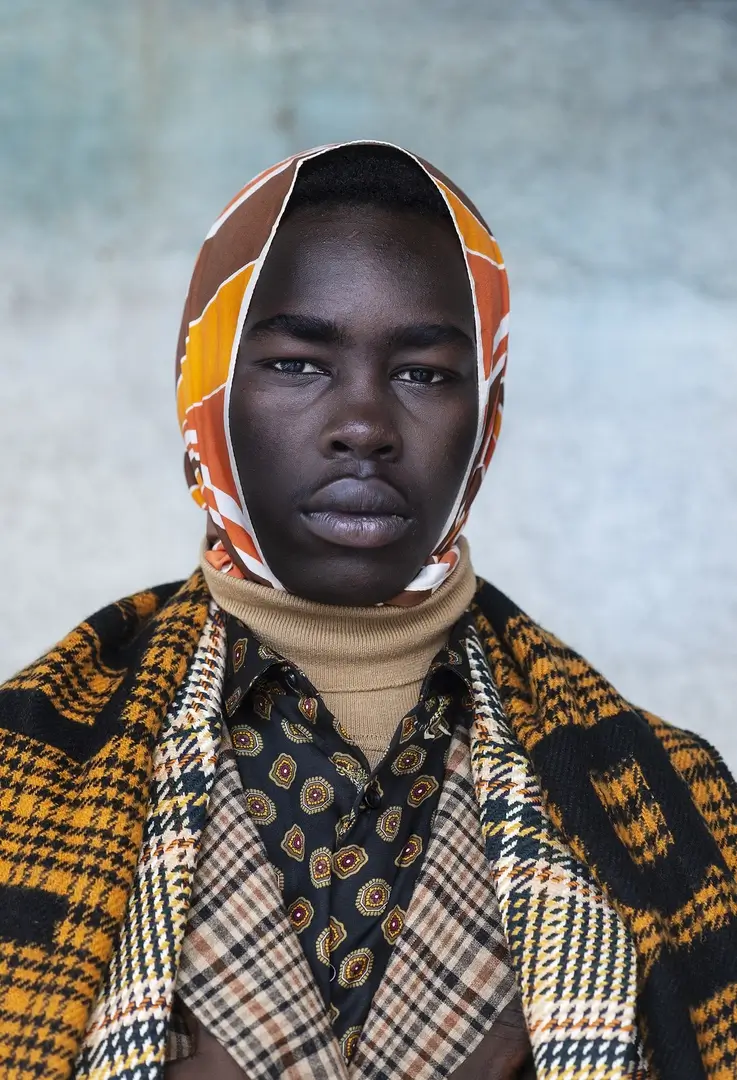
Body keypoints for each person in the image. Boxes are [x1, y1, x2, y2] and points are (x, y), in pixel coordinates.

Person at [1, 142, 736, 1080]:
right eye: (299, 364)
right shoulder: (24, 768)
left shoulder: (672, 805)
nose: (364, 426)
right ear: (205, 388)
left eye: (424, 373)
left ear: (489, 407)